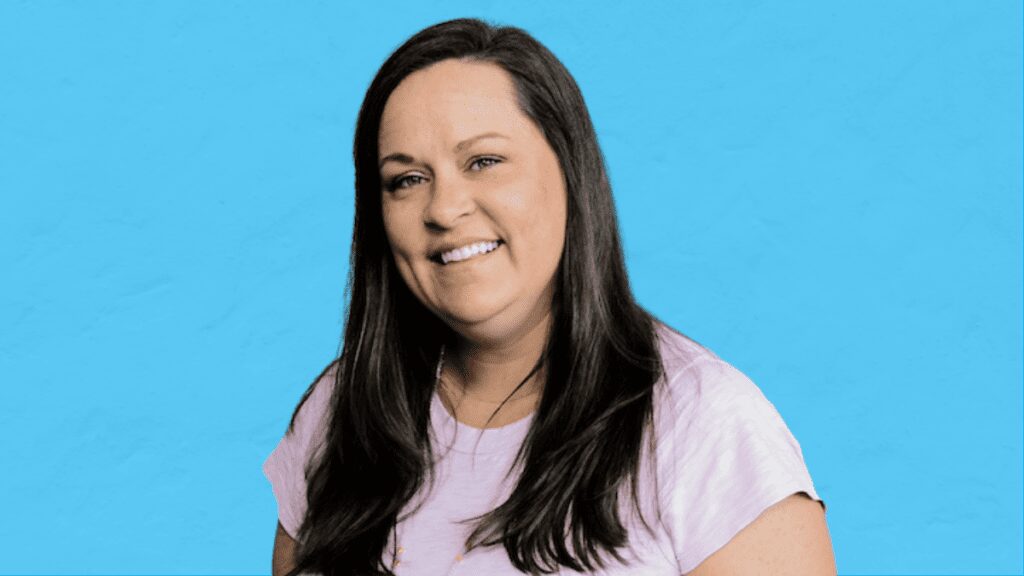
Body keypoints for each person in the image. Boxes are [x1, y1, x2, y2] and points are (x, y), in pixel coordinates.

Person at [262, 17, 835, 576]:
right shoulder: (339, 413)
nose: (443, 209)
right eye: (407, 179)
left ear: (571, 174)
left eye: (483, 162)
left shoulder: (704, 423)